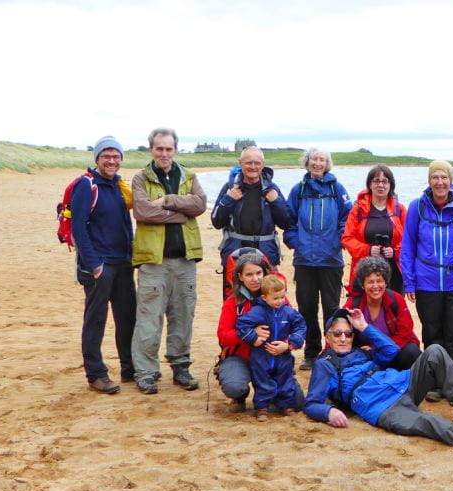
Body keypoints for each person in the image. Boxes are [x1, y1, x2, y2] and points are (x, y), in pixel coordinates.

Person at [303, 309, 453, 454]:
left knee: (435, 351)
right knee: (427, 420)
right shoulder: (325, 364)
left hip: (403, 383)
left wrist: (364, 327)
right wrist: (328, 412)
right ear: (327, 337)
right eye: (337, 334)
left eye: (348, 334)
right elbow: (311, 403)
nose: (343, 338)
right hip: (383, 407)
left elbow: (392, 351)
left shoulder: (360, 352)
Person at [130, 128, 207, 394]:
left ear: (175, 150)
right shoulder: (141, 178)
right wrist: (180, 213)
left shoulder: (189, 175)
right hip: (154, 261)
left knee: (183, 315)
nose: (164, 153)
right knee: (149, 318)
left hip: (185, 260)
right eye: (159, 148)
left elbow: (200, 204)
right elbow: (142, 210)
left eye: (169, 149)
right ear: (151, 149)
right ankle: (146, 372)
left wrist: (169, 201)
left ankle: (181, 366)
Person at [400, 160, 453, 398]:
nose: (440, 182)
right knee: (433, 335)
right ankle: (437, 384)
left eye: (444, 177)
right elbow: (407, 245)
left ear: (451, 179)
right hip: (427, 282)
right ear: (429, 180)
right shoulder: (417, 207)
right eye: (435, 177)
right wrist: (409, 281)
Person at [71, 136, 136, 394]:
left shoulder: (118, 185)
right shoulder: (87, 186)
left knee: (127, 318)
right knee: (96, 320)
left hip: (122, 262)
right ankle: (96, 374)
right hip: (99, 265)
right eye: (106, 156)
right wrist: (94, 264)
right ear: (97, 158)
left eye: (116, 156)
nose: (111, 160)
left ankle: (129, 368)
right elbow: (78, 228)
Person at [284, 147, 353, 370]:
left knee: (332, 309)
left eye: (322, 159)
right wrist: (296, 242)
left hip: (331, 260)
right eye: (314, 159)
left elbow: (347, 217)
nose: (317, 163)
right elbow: (288, 221)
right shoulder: (298, 190)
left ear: (327, 164)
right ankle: (311, 353)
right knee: (306, 308)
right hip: (304, 261)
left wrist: (339, 239)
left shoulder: (337, 188)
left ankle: (332, 352)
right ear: (307, 162)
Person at [216, 250, 305, 412]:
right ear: (240, 277)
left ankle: (273, 393)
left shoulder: (278, 297)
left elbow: (295, 325)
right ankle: (240, 395)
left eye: (259, 273)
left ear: (266, 273)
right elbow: (223, 336)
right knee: (234, 387)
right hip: (242, 356)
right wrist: (250, 335)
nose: (255, 278)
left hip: (273, 356)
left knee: (297, 403)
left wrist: (288, 345)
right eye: (249, 274)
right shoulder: (233, 302)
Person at [210, 146, 293, 281]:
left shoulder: (271, 188)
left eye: (257, 163)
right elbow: (216, 222)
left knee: (267, 299)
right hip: (235, 254)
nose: (253, 167)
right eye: (248, 163)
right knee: (236, 300)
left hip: (266, 254)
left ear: (263, 165)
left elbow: (286, 222)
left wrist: (275, 202)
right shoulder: (230, 187)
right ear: (240, 163)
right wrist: (228, 199)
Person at [236, 275, 306, 421]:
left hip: (283, 354)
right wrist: (253, 338)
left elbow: (300, 326)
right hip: (261, 355)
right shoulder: (258, 311)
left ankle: (286, 405)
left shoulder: (288, 312)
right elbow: (241, 324)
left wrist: (290, 343)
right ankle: (262, 407)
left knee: (285, 379)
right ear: (264, 297)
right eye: (275, 298)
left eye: (282, 297)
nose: (280, 301)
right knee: (262, 380)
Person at [343, 256, 422, 370]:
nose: (375, 286)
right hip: (367, 356)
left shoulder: (396, 299)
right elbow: (337, 328)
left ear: (386, 282)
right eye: (370, 282)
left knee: (411, 352)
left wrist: (375, 347)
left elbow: (405, 332)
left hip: (395, 351)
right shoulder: (353, 304)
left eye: (379, 281)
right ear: (362, 285)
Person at [341, 165, 407, 293]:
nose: (380, 185)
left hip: (394, 272)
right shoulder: (359, 209)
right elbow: (347, 238)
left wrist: (395, 251)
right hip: (364, 270)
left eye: (385, 181)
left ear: (391, 185)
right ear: (370, 185)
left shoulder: (400, 210)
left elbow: (409, 240)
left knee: (393, 307)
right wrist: (368, 250)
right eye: (376, 181)